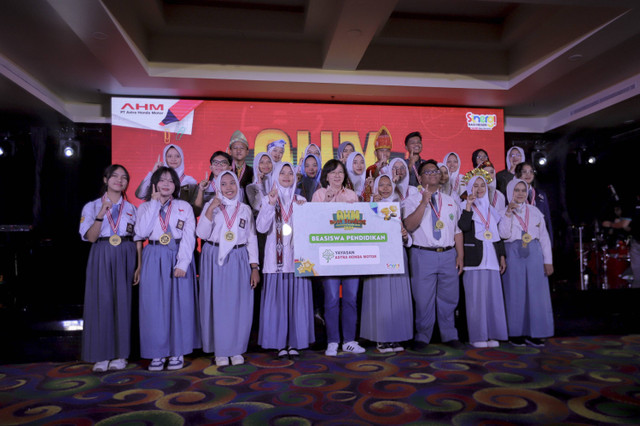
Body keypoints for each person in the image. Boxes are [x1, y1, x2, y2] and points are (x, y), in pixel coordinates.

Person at [134, 167, 200, 371]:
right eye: (161, 180)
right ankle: (157, 353)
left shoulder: (184, 206)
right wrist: (154, 204)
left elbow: (190, 237)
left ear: (176, 185)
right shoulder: (145, 207)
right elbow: (141, 232)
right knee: (154, 307)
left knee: (180, 306)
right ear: (154, 183)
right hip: (153, 256)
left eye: (170, 181)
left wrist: (182, 263)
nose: (165, 184)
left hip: (179, 255)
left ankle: (177, 351)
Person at [79, 164, 141, 372]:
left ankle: (120, 354)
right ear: (105, 180)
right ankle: (101, 355)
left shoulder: (132, 208)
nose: (119, 180)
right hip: (102, 252)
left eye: (124, 178)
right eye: (114, 176)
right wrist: (100, 214)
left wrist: (138, 264)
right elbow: (90, 237)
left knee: (123, 304)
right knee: (102, 302)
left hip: (126, 252)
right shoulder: (91, 206)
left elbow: (138, 238)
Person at [196, 170, 260, 366]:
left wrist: (254, 267)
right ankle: (221, 350)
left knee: (239, 304)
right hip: (215, 258)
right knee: (218, 305)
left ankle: (236, 348)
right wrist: (210, 209)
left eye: (232, 183)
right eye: (223, 184)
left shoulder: (245, 209)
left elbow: (251, 238)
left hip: (239, 257)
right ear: (217, 186)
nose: (229, 188)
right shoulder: (212, 206)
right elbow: (201, 233)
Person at [403, 159, 464, 350]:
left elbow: (457, 230)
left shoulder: (450, 201)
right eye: (427, 172)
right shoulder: (411, 200)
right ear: (420, 178)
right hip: (423, 254)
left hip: (448, 254)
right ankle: (422, 336)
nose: (432, 174)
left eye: (435, 171)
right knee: (423, 298)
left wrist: (460, 255)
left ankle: (449, 334)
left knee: (449, 297)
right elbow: (409, 226)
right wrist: (423, 203)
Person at [257, 162, 314, 359]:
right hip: (276, 262)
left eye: (290, 173)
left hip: (298, 261)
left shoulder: (301, 200)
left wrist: (303, 212)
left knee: (297, 303)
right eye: (282, 173)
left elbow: (308, 230)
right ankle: (279, 343)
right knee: (279, 304)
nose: (287, 176)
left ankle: (295, 342)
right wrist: (271, 205)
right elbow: (262, 228)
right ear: (275, 176)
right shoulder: (268, 198)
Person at [312, 159, 365, 356]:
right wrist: (326, 201)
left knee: (351, 298)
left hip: (351, 254)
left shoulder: (352, 195)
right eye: (333, 172)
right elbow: (315, 224)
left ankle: (350, 340)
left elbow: (360, 224)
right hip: (328, 255)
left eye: (340, 172)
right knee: (332, 298)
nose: (337, 176)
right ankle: (333, 341)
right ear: (326, 176)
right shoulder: (318, 194)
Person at [360, 174, 414, 352]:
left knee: (398, 299)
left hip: (397, 255)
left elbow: (407, 235)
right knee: (380, 298)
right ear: (375, 187)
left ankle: (396, 337)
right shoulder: (368, 207)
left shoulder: (400, 206)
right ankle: (380, 338)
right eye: (381, 185)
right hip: (377, 257)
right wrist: (371, 207)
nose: (384, 188)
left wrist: (405, 236)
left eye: (388, 185)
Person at [499, 178, 554, 347]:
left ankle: (536, 333)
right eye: (517, 190)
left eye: (523, 190)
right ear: (510, 192)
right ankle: (516, 333)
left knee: (536, 294)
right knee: (514, 293)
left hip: (534, 254)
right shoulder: (502, 212)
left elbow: (544, 237)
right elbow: (503, 235)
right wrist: (508, 213)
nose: (521, 193)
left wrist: (548, 261)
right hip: (513, 253)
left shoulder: (535, 211)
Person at [458, 175, 508, 348]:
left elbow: (498, 236)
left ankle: (493, 334)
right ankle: (477, 336)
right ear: (470, 188)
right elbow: (463, 227)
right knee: (475, 301)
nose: (479, 189)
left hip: (492, 259)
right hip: (473, 260)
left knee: (493, 299)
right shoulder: (463, 206)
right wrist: (469, 206)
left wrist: (501, 255)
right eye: (475, 186)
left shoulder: (492, 210)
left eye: (482, 186)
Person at [515, 162, 553, 244]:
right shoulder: (512, 194)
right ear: (518, 175)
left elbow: (547, 219)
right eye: (524, 172)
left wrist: (550, 242)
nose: (528, 175)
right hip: (519, 238)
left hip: (538, 237)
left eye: (531, 172)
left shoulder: (540, 194)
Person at [193, 151, 233, 217]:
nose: (219, 165)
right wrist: (201, 190)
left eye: (223, 163)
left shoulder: (236, 188)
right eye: (215, 163)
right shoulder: (202, 186)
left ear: (230, 168)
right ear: (211, 168)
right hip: (208, 224)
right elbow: (196, 212)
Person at [228, 130, 254, 199]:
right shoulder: (224, 168)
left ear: (247, 152)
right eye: (235, 148)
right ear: (230, 151)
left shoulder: (252, 172)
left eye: (242, 148)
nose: (238, 151)